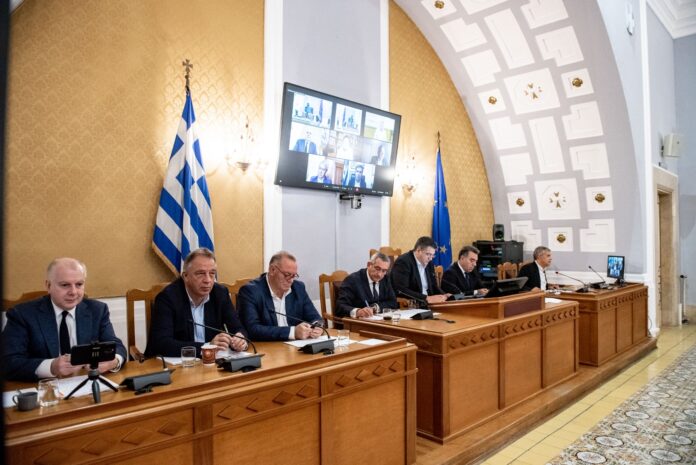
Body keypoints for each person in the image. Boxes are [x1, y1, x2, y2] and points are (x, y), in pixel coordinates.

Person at [2, 258, 126, 382]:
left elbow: (117, 347)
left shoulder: (97, 310)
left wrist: (114, 361)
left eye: (79, 284)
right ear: (48, 286)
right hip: (43, 388)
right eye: (65, 285)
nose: (73, 292)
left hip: (85, 384)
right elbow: (8, 362)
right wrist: (51, 367)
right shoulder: (22, 314)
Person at [145, 248, 248, 358]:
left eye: (212, 273)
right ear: (185, 276)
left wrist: (240, 340)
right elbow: (161, 343)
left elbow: (238, 328)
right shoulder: (168, 298)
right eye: (200, 273)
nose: (208, 280)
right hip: (176, 364)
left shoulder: (220, 293)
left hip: (211, 363)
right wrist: (207, 347)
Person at [238, 251, 324, 341]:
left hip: (296, 345)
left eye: (294, 276)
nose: (291, 280)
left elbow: (315, 317)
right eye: (287, 275)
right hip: (268, 346)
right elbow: (252, 329)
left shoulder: (298, 287)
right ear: (272, 270)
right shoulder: (250, 291)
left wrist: (317, 326)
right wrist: (292, 332)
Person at [336, 253, 398, 318]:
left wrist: (375, 307)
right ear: (369, 265)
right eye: (377, 268)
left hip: (379, 321)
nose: (379, 274)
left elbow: (393, 302)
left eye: (384, 271)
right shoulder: (353, 280)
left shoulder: (385, 279)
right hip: (358, 322)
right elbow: (340, 306)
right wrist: (358, 312)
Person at [391, 236, 450, 304]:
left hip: (429, 303)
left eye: (432, 255)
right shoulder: (403, 262)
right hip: (412, 304)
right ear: (418, 250)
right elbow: (401, 290)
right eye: (428, 254)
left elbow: (433, 286)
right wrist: (426, 298)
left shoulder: (429, 263)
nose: (430, 258)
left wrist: (444, 296)